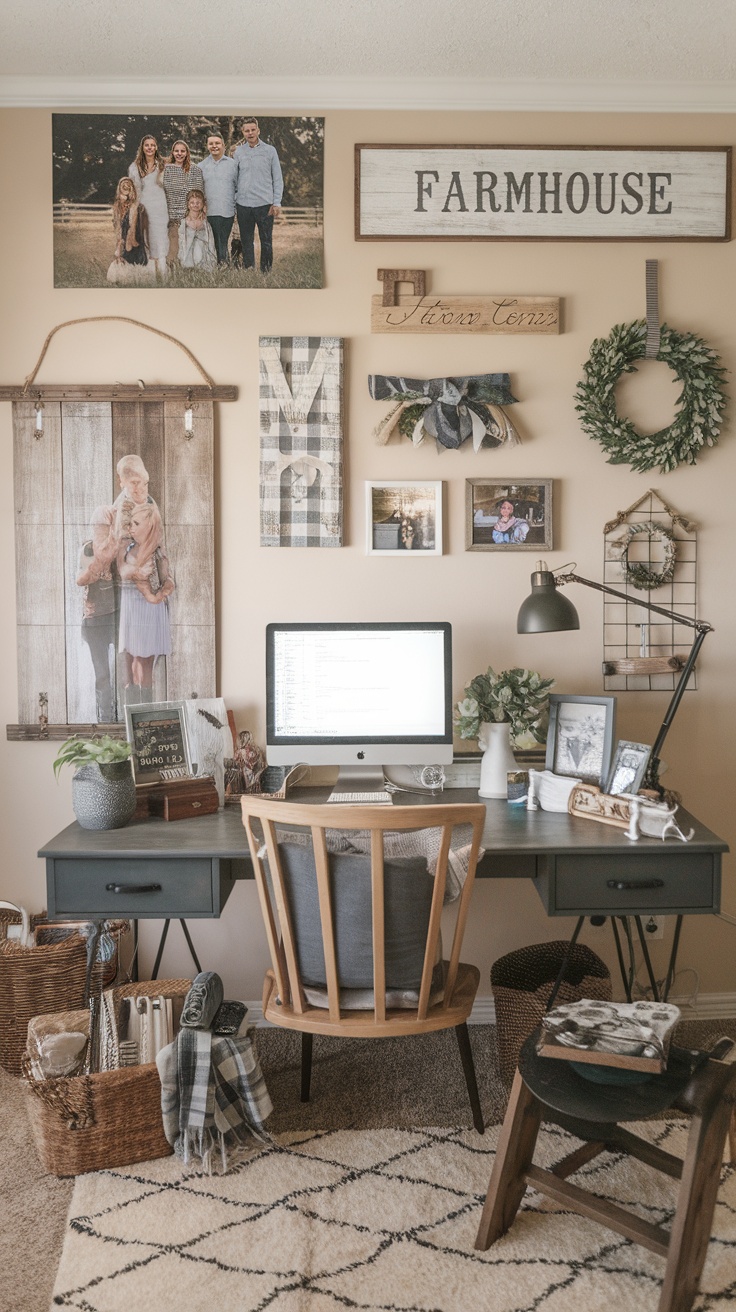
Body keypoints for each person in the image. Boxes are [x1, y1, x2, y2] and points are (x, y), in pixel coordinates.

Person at [118, 502, 174, 705]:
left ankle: (144, 709)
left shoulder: (157, 551)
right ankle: (130, 710)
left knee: (145, 664)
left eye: (136, 523)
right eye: (130, 522)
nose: (131, 527)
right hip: (131, 609)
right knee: (130, 663)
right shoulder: (127, 547)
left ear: (150, 526)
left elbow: (168, 579)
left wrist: (159, 595)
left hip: (149, 611)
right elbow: (124, 573)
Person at [76, 505, 119, 723]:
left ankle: (123, 717)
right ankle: (106, 720)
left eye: (107, 527)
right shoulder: (88, 550)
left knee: (123, 671)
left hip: (117, 618)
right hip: (94, 620)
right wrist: (96, 565)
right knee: (102, 673)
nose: (102, 532)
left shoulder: (120, 550)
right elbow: (80, 579)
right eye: (99, 527)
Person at [233, 117, 283, 274]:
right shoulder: (239, 152)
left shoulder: (270, 151)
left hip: (264, 204)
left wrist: (276, 202)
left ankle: (265, 273)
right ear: (243, 132)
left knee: (266, 241)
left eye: (252, 130)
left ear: (258, 130)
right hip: (243, 204)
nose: (250, 133)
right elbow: (234, 177)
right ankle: (249, 271)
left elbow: (278, 178)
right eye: (246, 131)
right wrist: (234, 199)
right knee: (247, 241)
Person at [128, 134, 169, 280]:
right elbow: (134, 191)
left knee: (160, 238)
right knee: (147, 238)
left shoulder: (163, 164)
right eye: (147, 145)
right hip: (144, 208)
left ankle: (163, 275)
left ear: (156, 147)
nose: (150, 148)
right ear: (142, 148)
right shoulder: (135, 166)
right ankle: (150, 276)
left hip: (161, 207)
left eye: (152, 145)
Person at [162, 140, 204, 265]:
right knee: (172, 248)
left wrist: (196, 215)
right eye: (176, 151)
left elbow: (199, 194)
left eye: (182, 151)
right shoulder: (166, 170)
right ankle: (171, 273)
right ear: (172, 152)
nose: (179, 154)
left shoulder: (195, 170)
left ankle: (187, 273)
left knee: (189, 248)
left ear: (187, 153)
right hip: (171, 216)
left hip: (189, 216)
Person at [106, 177, 154, 284]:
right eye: (123, 185)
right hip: (123, 239)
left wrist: (130, 237)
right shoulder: (118, 207)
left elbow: (138, 227)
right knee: (123, 260)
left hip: (135, 239)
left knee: (137, 261)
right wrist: (119, 244)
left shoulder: (137, 207)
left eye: (128, 185)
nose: (126, 186)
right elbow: (118, 226)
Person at [199, 132, 237, 265]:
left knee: (224, 239)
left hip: (228, 210)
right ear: (207, 146)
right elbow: (199, 190)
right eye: (211, 143)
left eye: (217, 143)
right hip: (209, 211)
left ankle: (224, 263)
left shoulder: (233, 165)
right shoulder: (201, 166)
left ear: (223, 145)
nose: (214, 146)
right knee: (214, 240)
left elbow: (238, 187)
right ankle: (219, 264)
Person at [178, 189, 217, 271]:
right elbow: (181, 243)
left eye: (198, 203)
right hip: (188, 259)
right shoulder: (184, 223)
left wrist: (212, 260)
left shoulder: (205, 223)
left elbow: (211, 242)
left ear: (202, 204)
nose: (195, 205)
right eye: (192, 203)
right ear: (188, 205)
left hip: (204, 259)